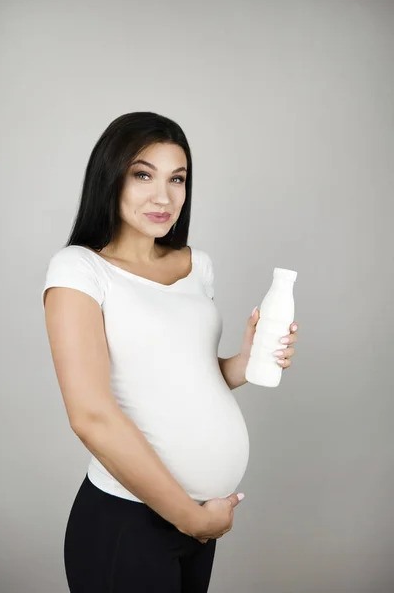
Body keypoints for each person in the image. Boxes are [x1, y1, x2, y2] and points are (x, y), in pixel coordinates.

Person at [42, 111, 299, 593]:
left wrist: (243, 362)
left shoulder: (196, 264)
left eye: (177, 179)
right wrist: (190, 517)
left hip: (199, 523)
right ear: (110, 177)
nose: (164, 196)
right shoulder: (79, 269)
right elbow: (91, 415)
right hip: (130, 522)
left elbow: (185, 378)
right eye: (143, 174)